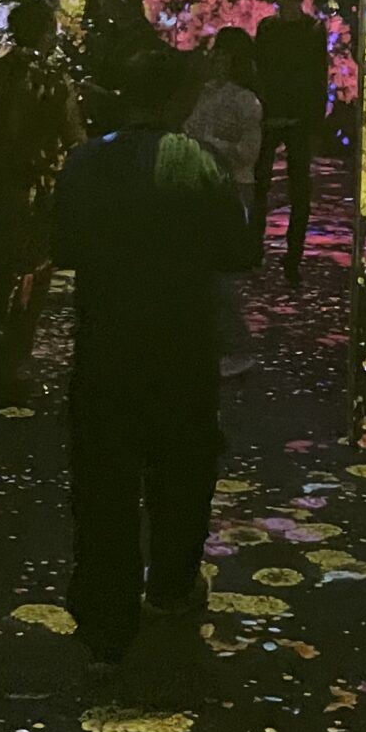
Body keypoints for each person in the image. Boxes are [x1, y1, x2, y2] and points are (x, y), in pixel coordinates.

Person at [53, 45, 256, 663]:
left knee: (103, 477)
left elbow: (62, 246)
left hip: (105, 343)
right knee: (182, 474)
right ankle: (170, 588)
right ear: (179, 100)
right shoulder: (199, 164)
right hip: (181, 345)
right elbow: (239, 254)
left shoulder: (86, 160)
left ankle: (105, 606)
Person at [0, 0, 85, 402]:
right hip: (39, 194)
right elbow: (74, 138)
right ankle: (12, 366)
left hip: (0, 191)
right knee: (32, 278)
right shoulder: (54, 80)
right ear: (47, 33)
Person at [184, 27, 263, 379]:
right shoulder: (203, 93)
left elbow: (248, 154)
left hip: (232, 188)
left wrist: (209, 143)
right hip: (203, 184)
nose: (213, 57)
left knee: (220, 274)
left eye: (221, 51)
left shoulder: (246, 101)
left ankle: (236, 345)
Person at [253, 0, 329, 283]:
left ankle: (293, 255)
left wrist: (314, 122)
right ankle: (255, 248)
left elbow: (317, 76)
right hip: (271, 114)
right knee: (260, 185)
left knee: (298, 190)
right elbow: (260, 68)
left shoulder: (312, 29)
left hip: (297, 116)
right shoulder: (268, 28)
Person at [82, 0, 164, 135]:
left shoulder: (144, 38)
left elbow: (139, 95)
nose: (100, 4)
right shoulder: (111, 34)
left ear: (119, 0)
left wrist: (101, 95)